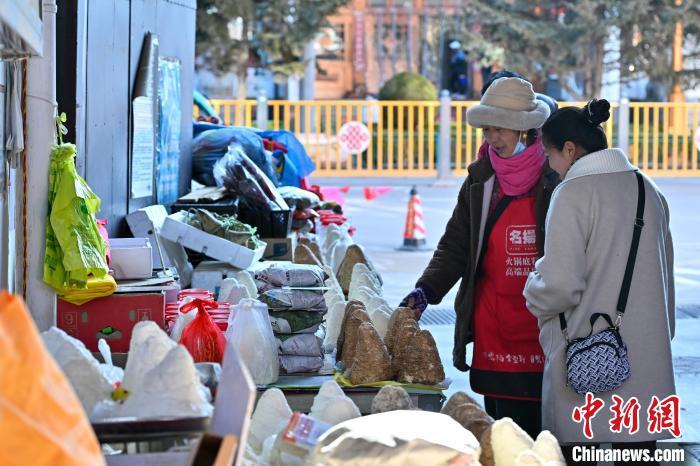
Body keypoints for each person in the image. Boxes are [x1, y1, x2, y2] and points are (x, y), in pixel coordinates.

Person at [400, 76, 559, 438]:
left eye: (500, 128)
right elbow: (456, 242)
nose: (491, 138)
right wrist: (426, 290)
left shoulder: (555, 178)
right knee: (500, 431)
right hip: (492, 321)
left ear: (524, 130)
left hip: (542, 325)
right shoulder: (481, 178)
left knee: (539, 434)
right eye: (487, 129)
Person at [523, 99, 675, 465]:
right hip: (645, 359)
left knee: (578, 454)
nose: (550, 166)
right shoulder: (647, 188)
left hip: (584, 361)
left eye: (550, 155)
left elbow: (560, 286)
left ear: (569, 150)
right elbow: (665, 278)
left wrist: (532, 288)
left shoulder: (571, 193)